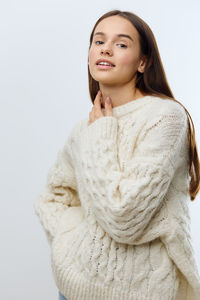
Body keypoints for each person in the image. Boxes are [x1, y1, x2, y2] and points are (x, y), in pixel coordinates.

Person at [34, 9, 200, 300]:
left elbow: (125, 217)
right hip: (74, 289)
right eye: (98, 41)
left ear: (142, 62)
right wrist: (72, 238)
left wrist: (102, 134)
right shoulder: (85, 128)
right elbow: (53, 195)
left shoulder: (165, 119)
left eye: (121, 44)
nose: (106, 48)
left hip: (144, 293)